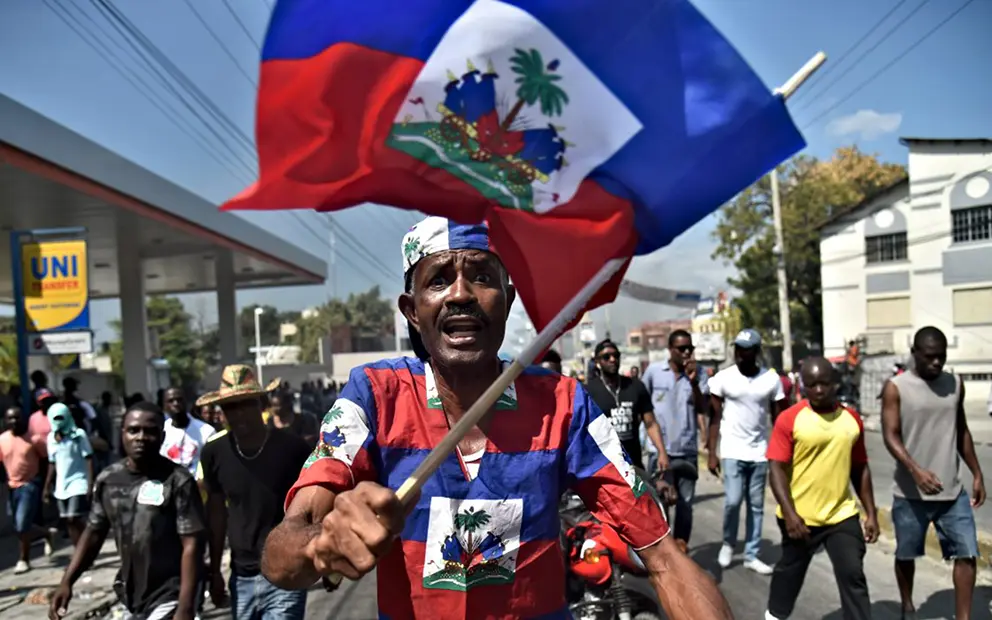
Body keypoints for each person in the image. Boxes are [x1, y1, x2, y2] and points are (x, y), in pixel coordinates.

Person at [259, 217, 732, 619]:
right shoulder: (373, 396)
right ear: (411, 310)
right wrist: (321, 542)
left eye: (482, 277)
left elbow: (663, 555)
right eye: (439, 279)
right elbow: (282, 555)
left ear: (507, 299)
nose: (461, 294)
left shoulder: (565, 405)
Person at [50, 402, 205, 620]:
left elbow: (193, 545)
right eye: (133, 430)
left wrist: (186, 607)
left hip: (172, 595)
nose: (141, 437)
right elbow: (93, 534)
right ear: (123, 433)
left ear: (161, 436)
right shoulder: (108, 480)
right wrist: (67, 582)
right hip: (132, 596)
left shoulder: (178, 481)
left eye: (150, 431)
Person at [881, 326, 985, 620]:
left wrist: (976, 472)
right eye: (930, 357)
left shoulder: (955, 383)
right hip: (910, 493)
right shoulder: (896, 387)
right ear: (915, 354)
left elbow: (961, 429)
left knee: (966, 553)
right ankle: (907, 606)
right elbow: (890, 435)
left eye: (941, 356)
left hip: (952, 492)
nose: (937, 363)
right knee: (906, 555)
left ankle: (963, 617)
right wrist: (915, 470)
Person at [765, 357, 879, 620]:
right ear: (803, 385)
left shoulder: (851, 420)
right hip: (800, 518)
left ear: (835, 383)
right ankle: (774, 615)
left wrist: (870, 512)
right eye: (811, 384)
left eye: (824, 383)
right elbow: (776, 469)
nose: (818, 390)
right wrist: (790, 514)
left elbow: (860, 468)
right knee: (790, 574)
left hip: (841, 515)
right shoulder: (790, 419)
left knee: (853, 574)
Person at [197, 366, 312, 620]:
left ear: (261, 403)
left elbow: (313, 505)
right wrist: (215, 571)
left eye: (245, 404)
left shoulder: (292, 448)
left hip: (286, 569)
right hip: (241, 574)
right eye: (230, 407)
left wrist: (322, 557)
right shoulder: (213, 453)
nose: (238, 414)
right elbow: (216, 515)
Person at [707, 328, 788, 574]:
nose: (741, 354)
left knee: (756, 505)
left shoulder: (770, 380)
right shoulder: (723, 378)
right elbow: (714, 417)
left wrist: (782, 453)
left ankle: (752, 554)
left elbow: (780, 419)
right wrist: (712, 452)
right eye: (738, 349)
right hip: (732, 449)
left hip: (760, 451)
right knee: (732, 501)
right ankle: (728, 543)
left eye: (747, 350)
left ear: (756, 351)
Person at [641, 329, 709, 547]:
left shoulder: (699, 373)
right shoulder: (653, 372)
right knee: (661, 503)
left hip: (687, 449)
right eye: (682, 348)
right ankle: (665, 548)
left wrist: (694, 382)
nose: (687, 352)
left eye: (690, 348)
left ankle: (681, 546)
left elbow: (703, 408)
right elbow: (643, 407)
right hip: (660, 451)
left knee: (685, 503)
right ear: (670, 350)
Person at [586, 339, 668, 474]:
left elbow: (651, 423)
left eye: (616, 355)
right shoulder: (589, 391)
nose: (612, 359)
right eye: (606, 357)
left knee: (642, 494)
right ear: (597, 362)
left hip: (634, 464)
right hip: (605, 468)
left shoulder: (635, 386)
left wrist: (662, 452)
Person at [1, 406, 54, 573]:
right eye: (10, 418)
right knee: (19, 525)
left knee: (22, 524)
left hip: (30, 484)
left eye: (17, 417)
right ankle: (46, 533)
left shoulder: (35, 439)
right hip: (12, 486)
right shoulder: (2, 439)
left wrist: (46, 485)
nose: (14, 421)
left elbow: (47, 461)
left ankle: (24, 559)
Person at [43, 403, 94, 546]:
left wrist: (90, 484)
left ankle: (89, 541)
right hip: (61, 485)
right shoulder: (51, 439)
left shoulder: (78, 435)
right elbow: (52, 463)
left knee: (74, 517)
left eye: (61, 417)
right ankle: (79, 551)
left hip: (78, 482)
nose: (59, 421)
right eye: (55, 418)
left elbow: (88, 458)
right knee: (68, 522)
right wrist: (47, 487)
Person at [160, 387, 216, 477]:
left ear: (186, 402)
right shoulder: (161, 431)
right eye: (171, 401)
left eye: (179, 400)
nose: (176, 404)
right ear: (164, 406)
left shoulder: (206, 431)